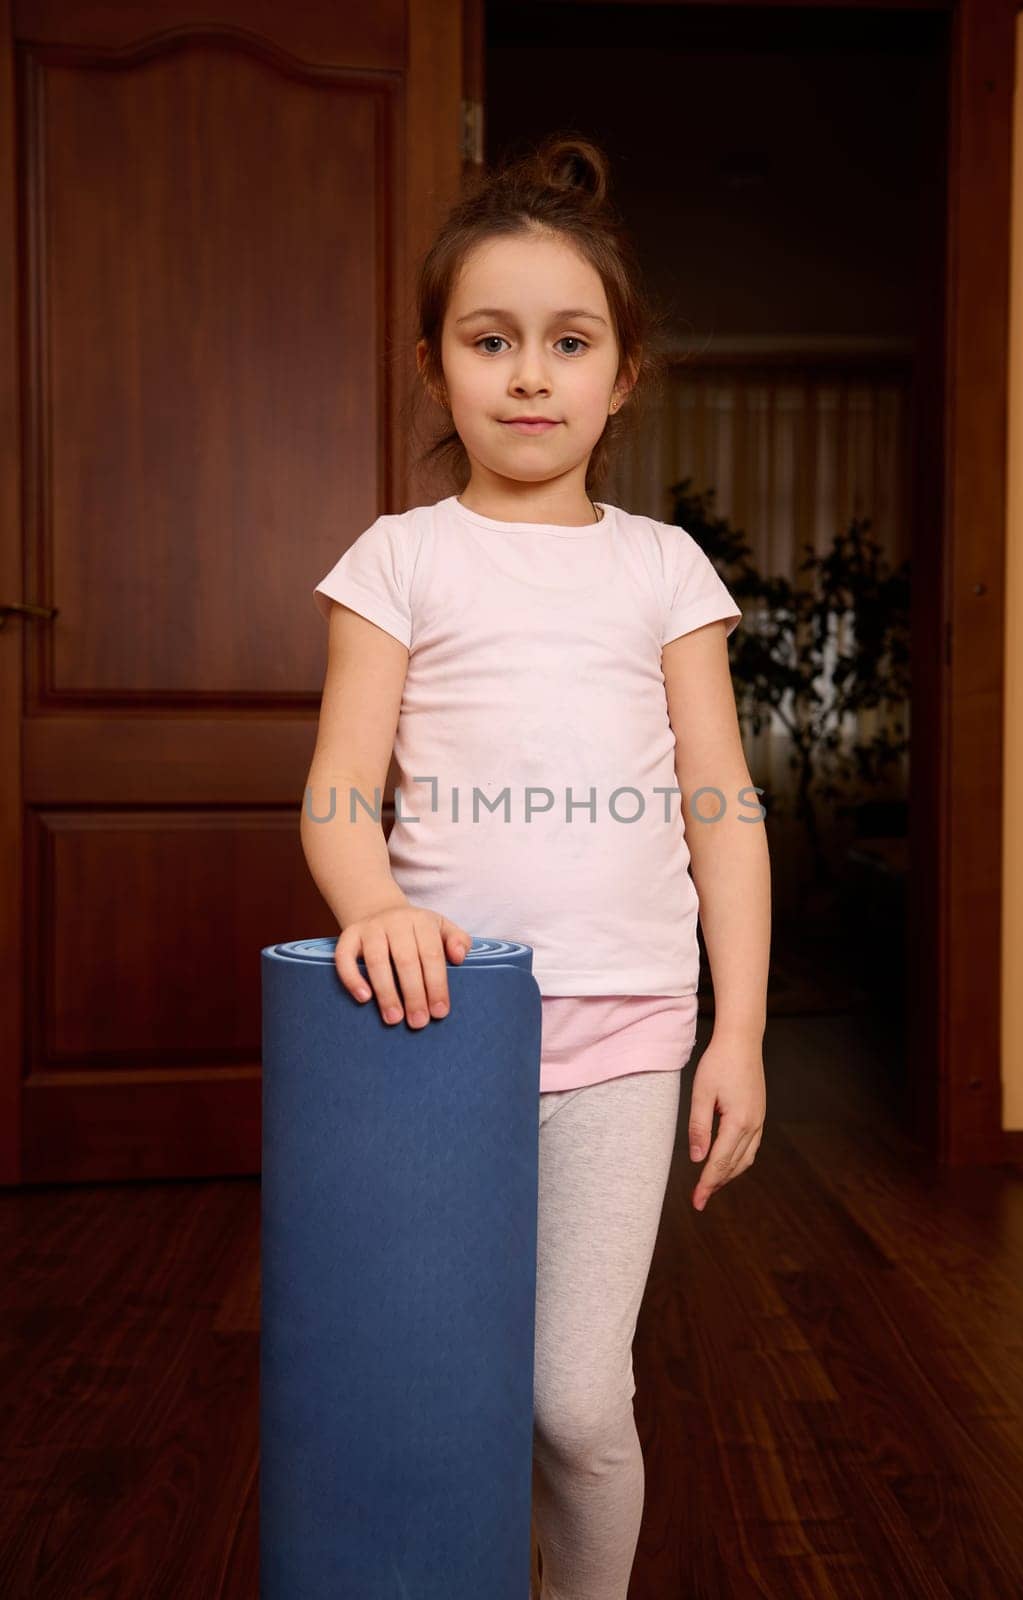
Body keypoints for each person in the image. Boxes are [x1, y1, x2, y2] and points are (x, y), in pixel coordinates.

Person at [301, 133, 770, 1600]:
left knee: (574, 1397)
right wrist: (372, 901)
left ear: (622, 374)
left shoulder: (662, 571)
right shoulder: (397, 558)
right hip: (432, 1035)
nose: (527, 376)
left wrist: (739, 1031)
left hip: (626, 1028)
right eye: (488, 340)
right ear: (436, 362)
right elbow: (335, 791)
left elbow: (723, 809)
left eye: (568, 343)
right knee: (433, 1377)